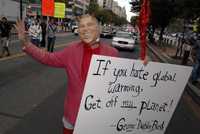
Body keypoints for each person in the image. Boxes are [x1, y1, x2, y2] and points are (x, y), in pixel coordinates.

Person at [15, 14, 148, 134]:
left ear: (99, 29)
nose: (85, 29)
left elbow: (124, 82)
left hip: (98, 119)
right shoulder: (71, 51)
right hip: (72, 117)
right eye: (81, 26)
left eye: (90, 25)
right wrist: (26, 44)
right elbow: (47, 58)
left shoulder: (112, 53)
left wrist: (142, 66)